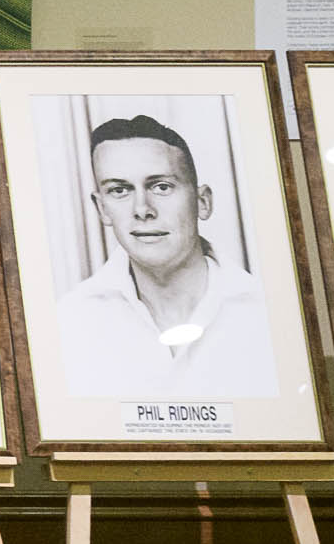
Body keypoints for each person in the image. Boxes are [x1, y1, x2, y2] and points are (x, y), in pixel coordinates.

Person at [52, 114, 277, 398]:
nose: (142, 210)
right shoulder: (68, 322)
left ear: (203, 202)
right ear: (102, 209)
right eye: (119, 190)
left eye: (161, 187)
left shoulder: (271, 314)